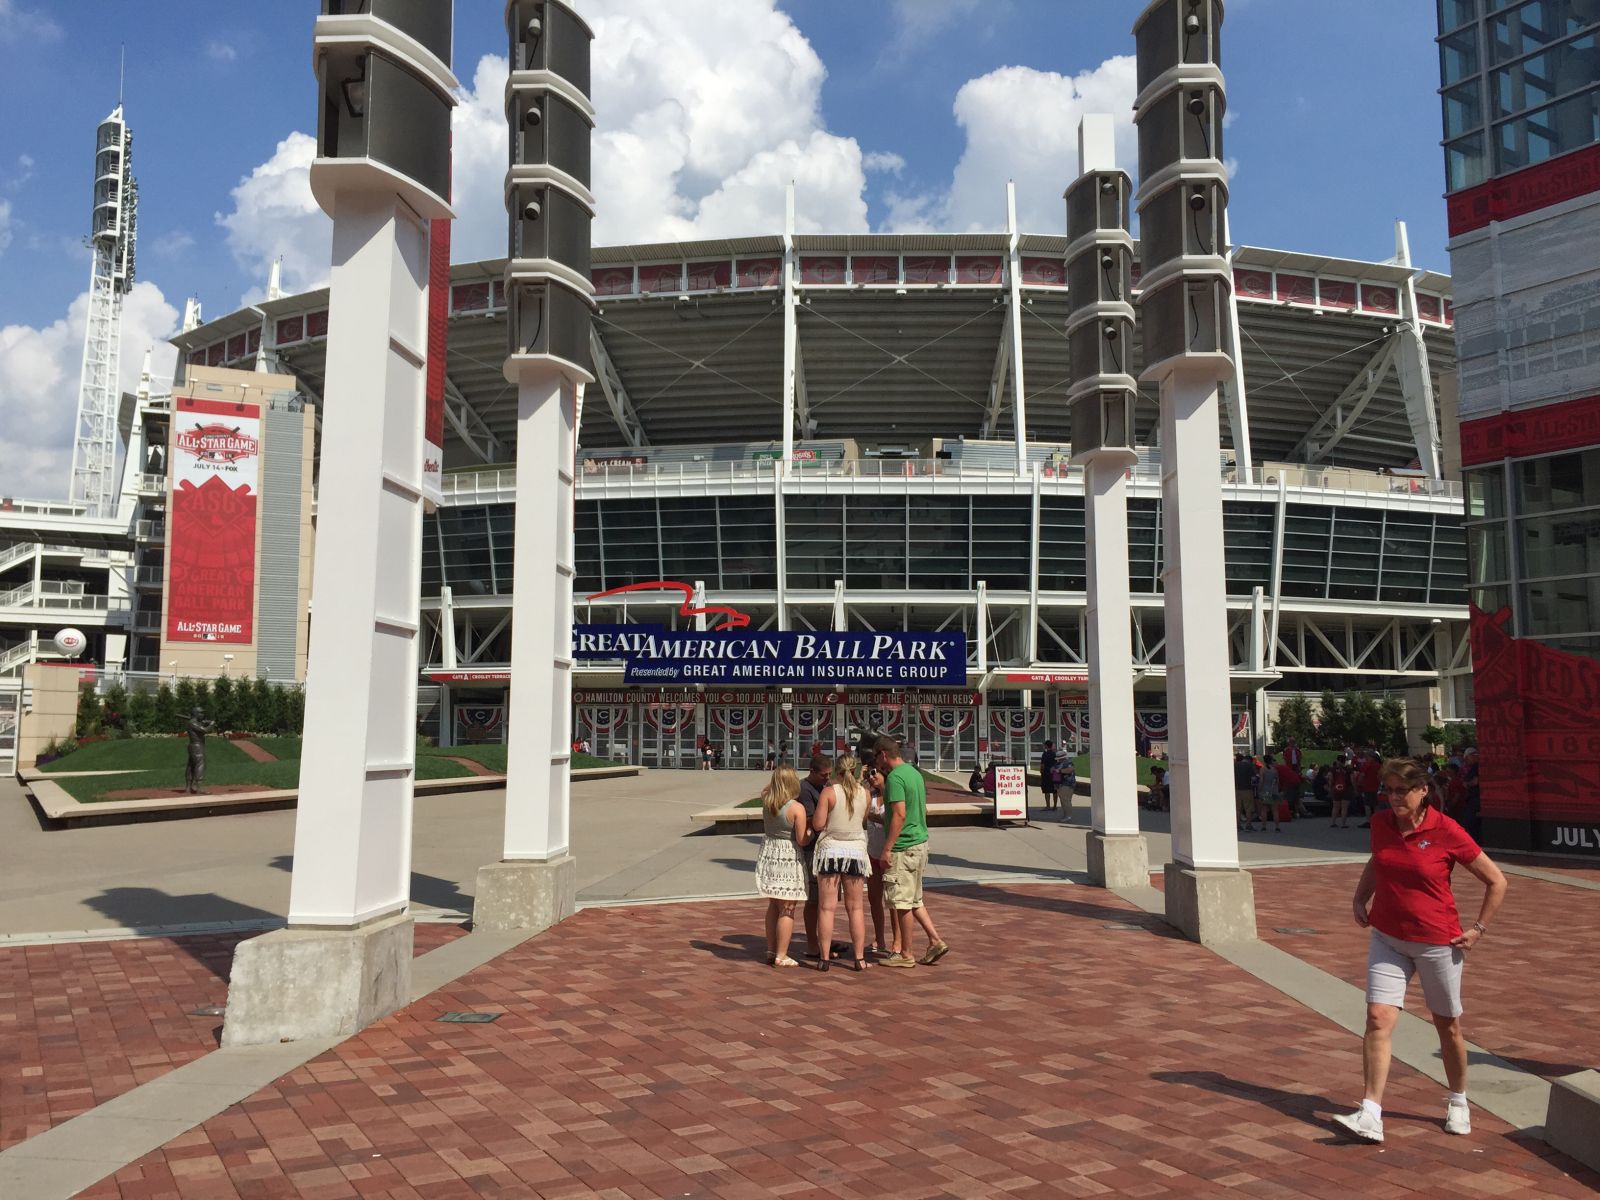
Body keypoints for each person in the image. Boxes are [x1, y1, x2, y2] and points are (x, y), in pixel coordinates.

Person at [1332, 759, 1508, 1144]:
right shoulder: (1381, 824)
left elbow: (1496, 881)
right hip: (1387, 937)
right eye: (1389, 790)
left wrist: (1478, 929)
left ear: (1423, 790)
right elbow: (1379, 860)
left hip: (1437, 942)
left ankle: (1459, 1100)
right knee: (1378, 1018)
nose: (1394, 797)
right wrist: (1361, 897)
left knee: (1447, 1025)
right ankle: (1371, 1113)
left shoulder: (1445, 830)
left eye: (1402, 790)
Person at [875, 738, 949, 968]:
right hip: (919, 843)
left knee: (902, 902)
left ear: (884, 754)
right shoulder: (914, 773)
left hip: (903, 848)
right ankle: (935, 940)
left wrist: (887, 849)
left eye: (877, 757)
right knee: (915, 898)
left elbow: (899, 814)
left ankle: (906, 953)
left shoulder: (896, 777)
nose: (876, 763)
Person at [810, 755, 873, 971]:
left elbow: (818, 824)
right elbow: (863, 821)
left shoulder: (829, 792)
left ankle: (825, 958)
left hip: (830, 850)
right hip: (855, 852)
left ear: (837, 771)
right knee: (855, 908)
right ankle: (859, 958)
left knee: (826, 908)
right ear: (856, 771)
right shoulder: (865, 793)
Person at [755, 766, 812, 967]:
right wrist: (811, 833)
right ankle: (782, 954)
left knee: (774, 904)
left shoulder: (767, 800)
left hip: (770, 854)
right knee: (788, 907)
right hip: (788, 856)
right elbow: (802, 839)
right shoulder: (796, 808)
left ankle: (771, 949)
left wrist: (776, 782)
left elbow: (766, 789)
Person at [864, 764, 898, 958]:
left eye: (875, 772)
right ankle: (879, 938)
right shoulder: (870, 796)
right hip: (872, 853)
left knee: (893, 900)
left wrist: (873, 817)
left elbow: (896, 821)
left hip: (890, 854)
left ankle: (897, 941)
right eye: (869, 773)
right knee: (874, 899)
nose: (871, 776)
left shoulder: (894, 797)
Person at [1253, 752, 1282, 833]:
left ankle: (1264, 826)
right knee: (1275, 810)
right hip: (1274, 791)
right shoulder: (1275, 770)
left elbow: (1261, 781)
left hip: (1265, 791)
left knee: (1264, 809)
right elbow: (1277, 781)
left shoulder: (1262, 769)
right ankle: (1277, 826)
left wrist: (1259, 790)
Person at [1355, 749, 1381, 828]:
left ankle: (1368, 821)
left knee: (1367, 805)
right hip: (1376, 787)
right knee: (1376, 805)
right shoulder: (1379, 765)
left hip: (1368, 787)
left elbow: (1362, 776)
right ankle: (1377, 820)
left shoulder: (1367, 765)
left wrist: (1358, 784)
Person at [1328, 755, 1355, 828]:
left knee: (1335, 807)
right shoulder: (1348, 769)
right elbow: (1352, 779)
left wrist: (1331, 788)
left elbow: (1330, 779)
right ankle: (1343, 824)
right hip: (1346, 789)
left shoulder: (1333, 769)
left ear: (1337, 760)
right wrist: (1354, 788)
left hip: (1336, 789)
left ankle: (1333, 822)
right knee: (1344, 807)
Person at [1233, 751, 1257, 830]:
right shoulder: (1249, 765)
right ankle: (1248, 825)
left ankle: (1238, 825)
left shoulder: (1234, 766)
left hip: (1237, 789)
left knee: (1237, 808)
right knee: (1248, 808)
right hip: (1247, 789)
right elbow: (1254, 777)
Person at [1039, 740, 1060, 814]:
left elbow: (1043, 765)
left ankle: (1048, 806)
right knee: (1055, 790)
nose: (1043, 746)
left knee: (1047, 790)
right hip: (1055, 773)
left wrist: (1041, 771)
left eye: (1044, 745)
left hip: (1046, 773)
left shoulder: (1045, 754)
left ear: (1046, 746)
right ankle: (1054, 806)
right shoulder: (1055, 754)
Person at [1059, 756, 1078, 821]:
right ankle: (1065, 815)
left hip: (1067, 784)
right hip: (1062, 784)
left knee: (1066, 800)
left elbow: (1070, 770)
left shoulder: (1068, 762)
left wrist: (1059, 771)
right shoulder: (1059, 763)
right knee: (1063, 801)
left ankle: (1068, 816)